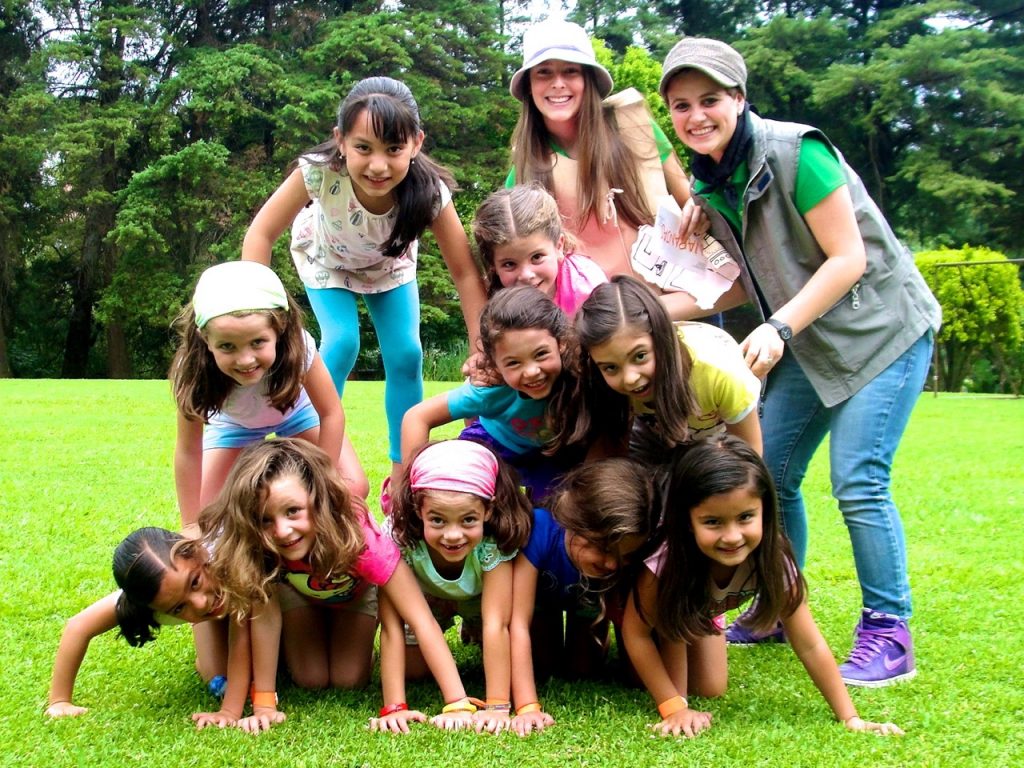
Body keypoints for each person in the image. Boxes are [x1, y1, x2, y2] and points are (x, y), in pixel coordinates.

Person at [658, 37, 941, 684]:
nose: (696, 115)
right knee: (769, 472)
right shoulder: (711, 182)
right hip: (814, 345)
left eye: (710, 99)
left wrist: (780, 326)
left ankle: (889, 630)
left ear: (738, 98)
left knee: (859, 478)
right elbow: (736, 285)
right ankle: (779, 608)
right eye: (681, 105)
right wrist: (645, 311)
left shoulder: (798, 151)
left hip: (883, 332)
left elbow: (849, 257)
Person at [241, 76, 487, 488]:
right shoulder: (318, 173)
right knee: (342, 342)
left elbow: (464, 272)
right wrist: (254, 314)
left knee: (406, 353)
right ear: (340, 140)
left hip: (389, 266)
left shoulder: (428, 192)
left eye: (393, 149)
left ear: (416, 144)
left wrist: (483, 350)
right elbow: (260, 234)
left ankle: (404, 477)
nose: (378, 166)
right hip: (326, 261)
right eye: (363, 148)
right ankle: (309, 457)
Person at [621, 435, 905, 737]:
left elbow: (810, 643)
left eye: (745, 517)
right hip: (658, 615)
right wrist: (674, 707)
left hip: (699, 611)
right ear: (688, 521)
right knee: (646, 681)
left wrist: (850, 717)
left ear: (765, 511)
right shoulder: (665, 561)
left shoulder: (773, 559)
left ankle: (703, 619)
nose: (732, 537)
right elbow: (635, 633)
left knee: (710, 687)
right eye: (713, 522)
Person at [199, 438, 476, 732]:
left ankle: (345, 644)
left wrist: (457, 703)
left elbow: (420, 618)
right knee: (310, 678)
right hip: (298, 595)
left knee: (348, 678)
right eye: (265, 519)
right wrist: (242, 709)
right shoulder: (257, 543)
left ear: (319, 500)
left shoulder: (359, 539)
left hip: (353, 598)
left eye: (293, 511)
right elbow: (252, 622)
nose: (282, 531)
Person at [172, 260, 362, 681]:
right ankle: (226, 621)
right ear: (205, 339)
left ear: (280, 328)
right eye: (227, 347)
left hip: (297, 414)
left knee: (353, 488)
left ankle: (323, 586)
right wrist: (190, 523)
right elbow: (188, 451)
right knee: (211, 524)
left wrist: (322, 486)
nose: (245, 359)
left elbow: (331, 414)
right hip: (233, 428)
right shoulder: (194, 369)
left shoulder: (300, 348)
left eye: (258, 342)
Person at [507, 19, 701, 283]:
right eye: (544, 72)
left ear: (588, 80)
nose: (558, 83)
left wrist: (696, 210)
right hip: (587, 306)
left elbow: (688, 199)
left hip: (668, 292)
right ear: (529, 85)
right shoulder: (525, 168)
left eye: (571, 71)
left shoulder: (634, 126)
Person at [382, 440, 532, 734]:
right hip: (428, 600)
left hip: (480, 601)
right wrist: (395, 707)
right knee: (414, 670)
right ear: (418, 509)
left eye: (468, 520)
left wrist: (497, 707)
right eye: (437, 520)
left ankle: (471, 623)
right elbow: (398, 624)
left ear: (488, 510)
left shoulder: (493, 540)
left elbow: (497, 622)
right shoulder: (398, 536)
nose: (453, 535)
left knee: (505, 650)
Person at [45, 528, 254, 731]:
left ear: (196, 551)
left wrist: (230, 710)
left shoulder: (226, 553)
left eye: (194, 582)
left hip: (260, 597)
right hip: (217, 618)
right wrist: (60, 701)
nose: (200, 604)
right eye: (179, 608)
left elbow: (242, 630)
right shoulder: (151, 600)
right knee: (222, 680)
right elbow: (78, 627)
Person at [509, 457, 659, 737]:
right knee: (543, 666)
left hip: (587, 604)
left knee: (583, 669)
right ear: (575, 521)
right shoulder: (538, 530)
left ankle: (594, 637)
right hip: (541, 604)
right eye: (603, 549)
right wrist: (528, 707)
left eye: (624, 556)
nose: (612, 565)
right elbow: (518, 622)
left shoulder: (628, 541)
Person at [400, 286, 580, 505]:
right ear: (494, 363)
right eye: (513, 363)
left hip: (550, 455)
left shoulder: (577, 378)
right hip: (493, 445)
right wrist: (409, 487)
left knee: (558, 508)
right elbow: (417, 417)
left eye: (541, 354)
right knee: (460, 495)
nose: (532, 371)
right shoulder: (492, 389)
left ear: (561, 343)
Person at [563, 275, 761, 461]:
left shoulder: (719, 371)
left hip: (726, 436)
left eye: (640, 356)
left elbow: (749, 457)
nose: (630, 378)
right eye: (611, 367)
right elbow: (609, 454)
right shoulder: (600, 378)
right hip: (661, 436)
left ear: (662, 338)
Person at [473, 182, 606, 315]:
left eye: (536, 257)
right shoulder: (495, 305)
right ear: (493, 267)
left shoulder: (589, 291)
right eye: (509, 264)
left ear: (559, 246)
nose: (526, 275)